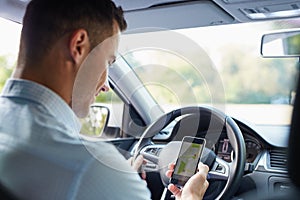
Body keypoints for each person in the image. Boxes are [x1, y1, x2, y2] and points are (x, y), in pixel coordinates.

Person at [0, 0, 209, 199]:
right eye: (108, 61)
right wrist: (190, 197)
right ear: (78, 46)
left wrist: (117, 182)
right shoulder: (92, 169)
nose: (106, 85)